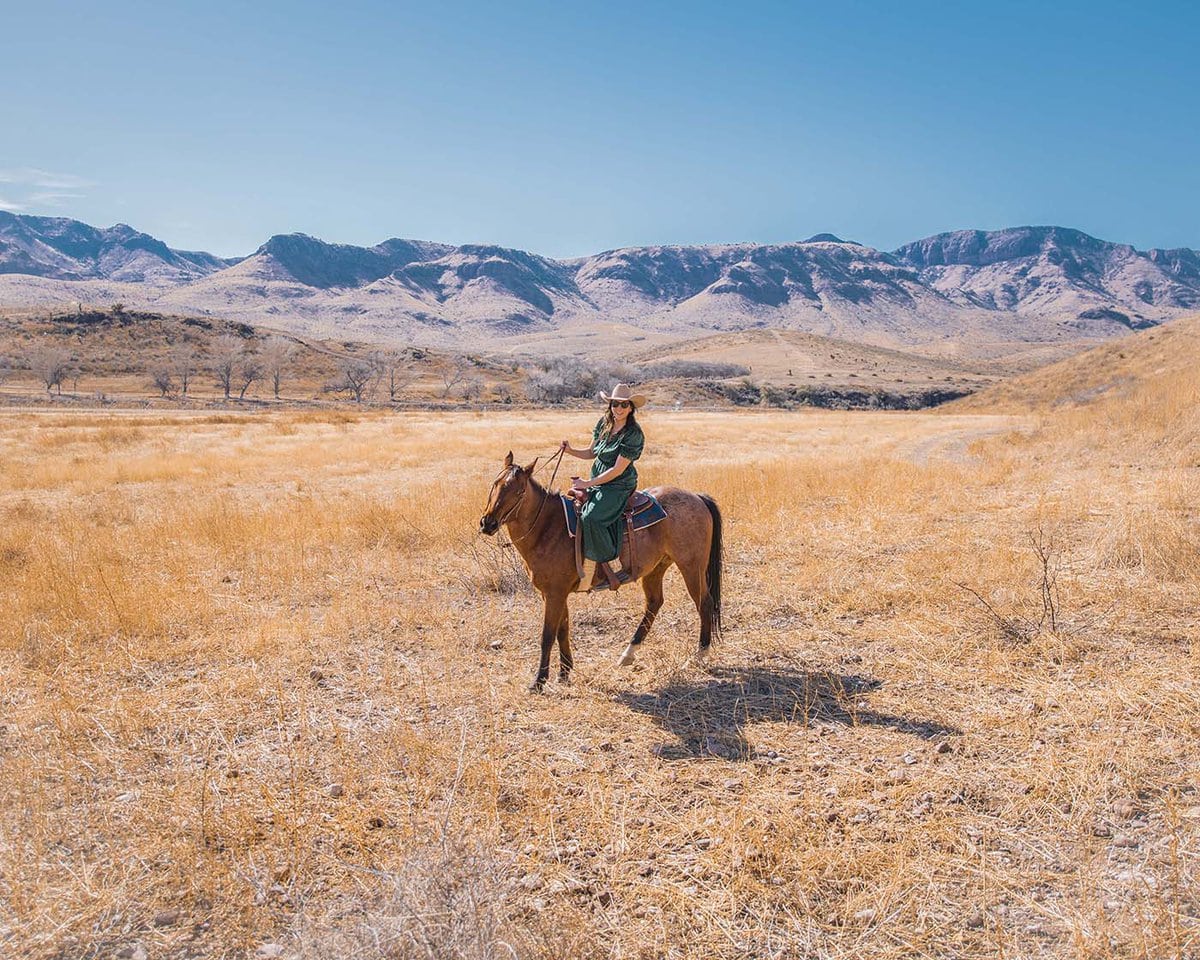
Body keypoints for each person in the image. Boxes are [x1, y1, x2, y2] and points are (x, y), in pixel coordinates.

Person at [560, 383, 647, 591]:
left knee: (591, 517)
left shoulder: (633, 434)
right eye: (615, 404)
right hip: (598, 480)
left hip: (618, 485)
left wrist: (587, 484)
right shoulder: (604, 424)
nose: (618, 409)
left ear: (631, 408)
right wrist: (570, 450)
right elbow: (592, 452)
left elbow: (617, 470)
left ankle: (613, 564)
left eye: (624, 405)